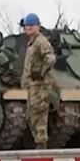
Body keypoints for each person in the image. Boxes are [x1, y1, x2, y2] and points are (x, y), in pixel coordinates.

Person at [21, 12, 57, 149]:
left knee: (39, 112)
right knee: (31, 114)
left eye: (31, 25)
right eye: (26, 25)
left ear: (38, 26)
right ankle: (38, 141)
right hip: (32, 85)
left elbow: (50, 58)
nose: (28, 28)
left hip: (40, 84)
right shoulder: (32, 43)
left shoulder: (41, 42)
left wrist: (41, 72)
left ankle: (41, 143)